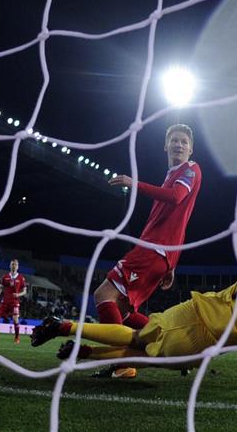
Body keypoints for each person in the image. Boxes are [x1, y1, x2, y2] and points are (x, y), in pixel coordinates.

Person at [32, 215, 237, 394]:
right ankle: (67, 329)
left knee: (141, 349)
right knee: (138, 347)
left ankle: (79, 347)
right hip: (199, 336)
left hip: (193, 312)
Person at [92, 124, 202, 379]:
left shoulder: (191, 169)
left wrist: (134, 183)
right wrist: (171, 263)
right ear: (165, 146)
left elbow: (175, 198)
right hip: (158, 252)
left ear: (191, 148)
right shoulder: (171, 173)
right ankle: (177, 350)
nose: (179, 145)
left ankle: (123, 363)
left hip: (154, 250)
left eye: (184, 142)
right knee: (124, 311)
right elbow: (175, 220)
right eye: (174, 140)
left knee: (103, 295)